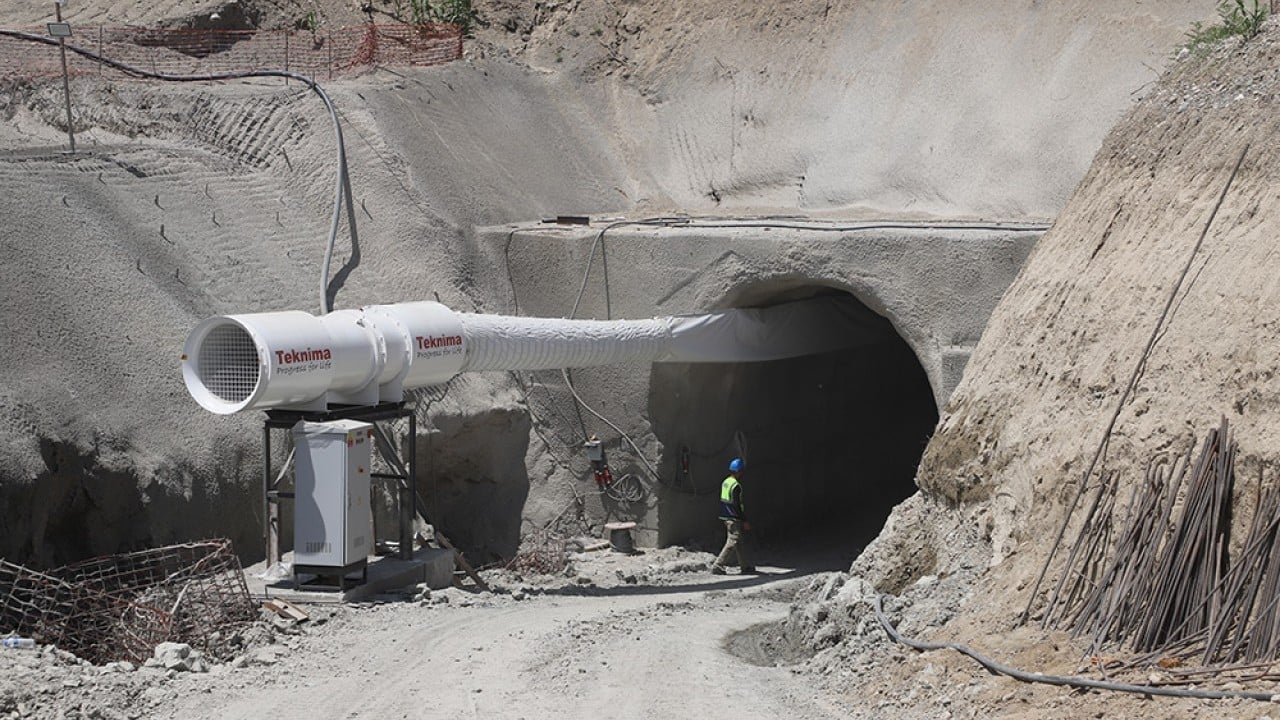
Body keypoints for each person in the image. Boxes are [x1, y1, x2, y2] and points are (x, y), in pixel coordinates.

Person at [711, 457, 754, 575]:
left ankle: (745, 567)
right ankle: (718, 565)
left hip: (725, 515)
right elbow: (737, 505)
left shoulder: (726, 482)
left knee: (739, 542)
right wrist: (744, 520)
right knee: (733, 541)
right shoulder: (736, 486)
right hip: (733, 517)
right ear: (740, 471)